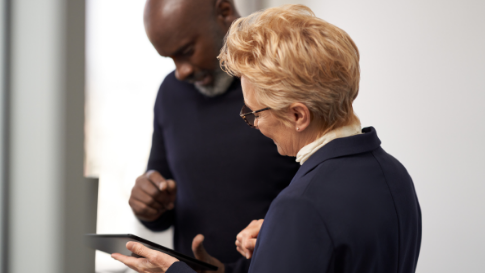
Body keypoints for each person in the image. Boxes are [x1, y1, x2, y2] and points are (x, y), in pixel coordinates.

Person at [114, 4, 422, 273]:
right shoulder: (396, 175)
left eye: (254, 113)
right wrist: (277, 243)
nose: (255, 124)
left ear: (298, 116)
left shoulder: (298, 206)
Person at [127, 0, 299, 272]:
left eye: (186, 51)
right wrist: (149, 204)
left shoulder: (285, 83)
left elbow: (318, 206)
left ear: (224, 12)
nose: (181, 72)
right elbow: (163, 197)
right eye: (171, 59)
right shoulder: (170, 94)